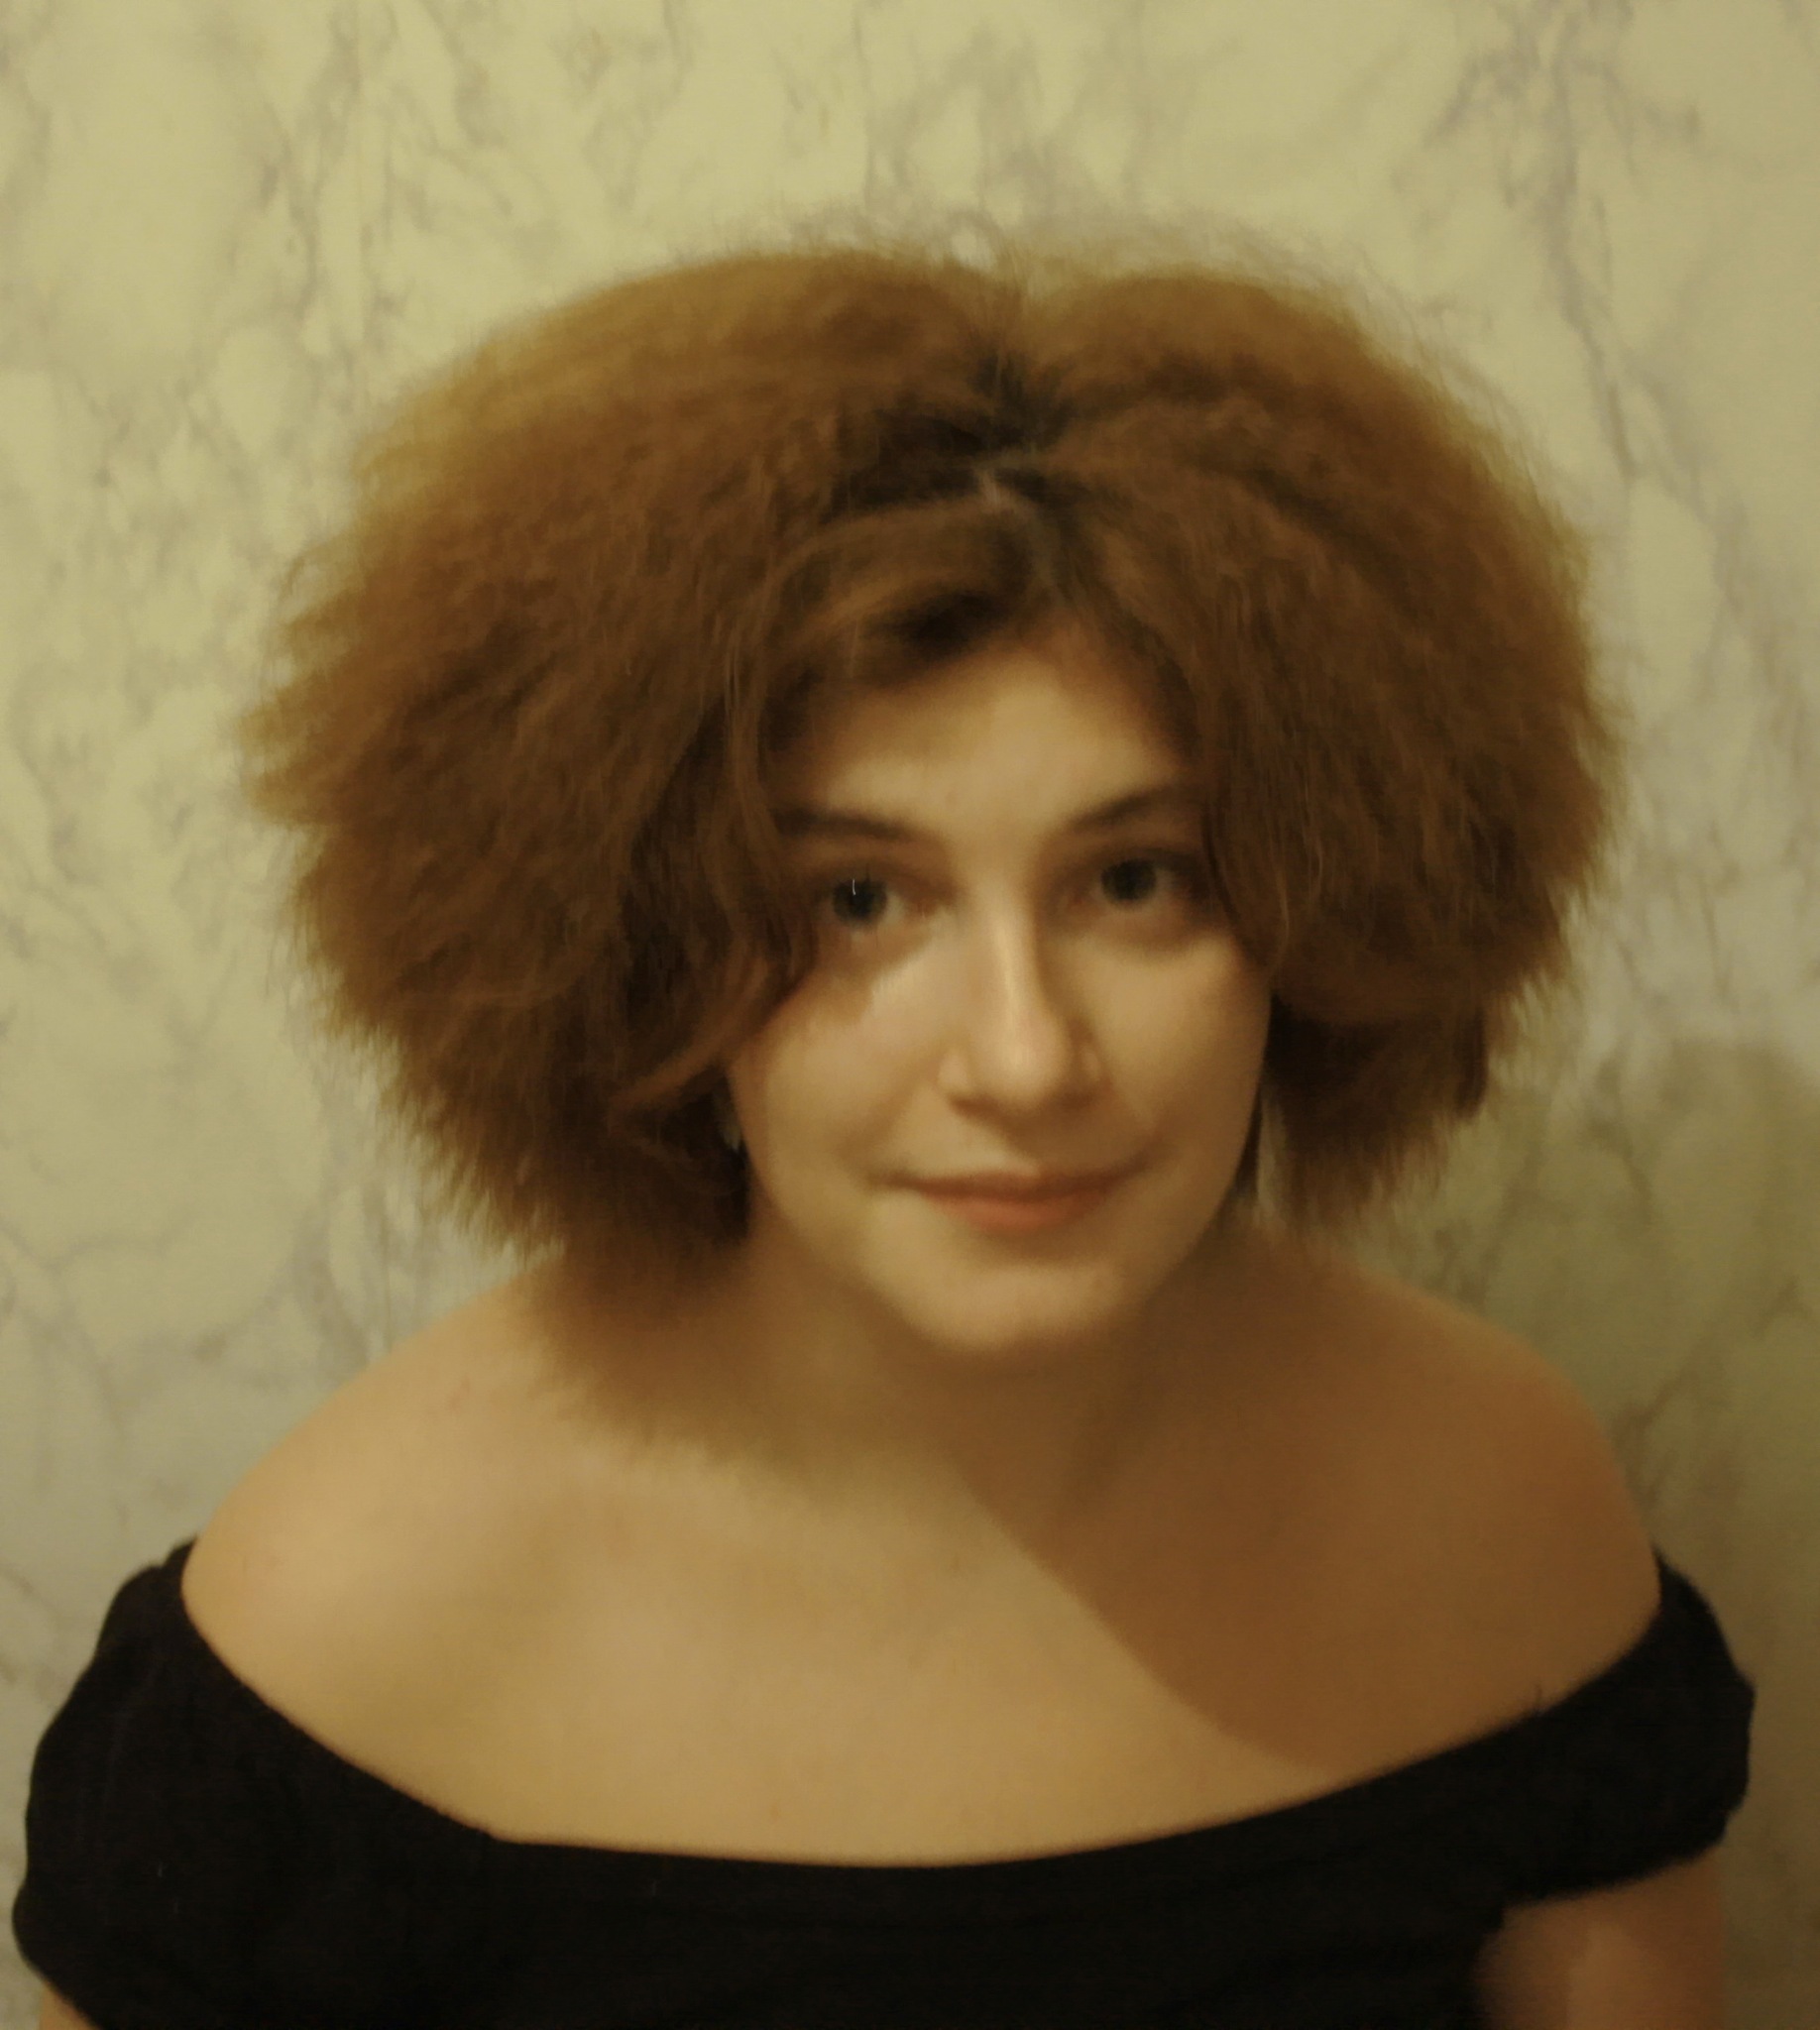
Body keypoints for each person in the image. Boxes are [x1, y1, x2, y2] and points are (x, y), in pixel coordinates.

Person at [14, 226, 1753, 2029]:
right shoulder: (346, 1633)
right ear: (641, 949)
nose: (1023, 1055)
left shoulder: (1493, 1513)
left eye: (1137, 880)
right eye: (858, 901)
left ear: (1323, 908)